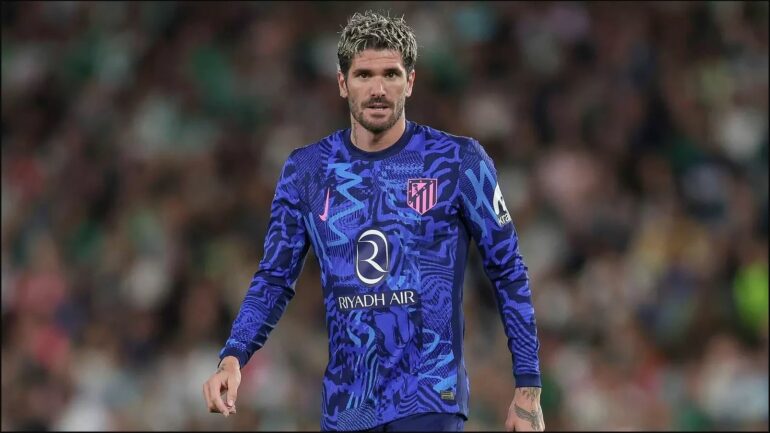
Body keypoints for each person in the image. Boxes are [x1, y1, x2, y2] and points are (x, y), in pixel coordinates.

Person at [203, 10, 545, 432]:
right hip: (348, 406)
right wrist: (234, 355)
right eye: (364, 75)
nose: (378, 89)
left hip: (429, 397)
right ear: (342, 83)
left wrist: (528, 386)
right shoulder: (307, 171)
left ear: (410, 81)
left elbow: (507, 268)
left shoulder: (457, 162)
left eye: (391, 74)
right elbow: (275, 276)